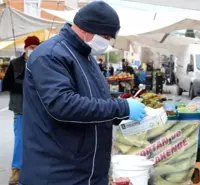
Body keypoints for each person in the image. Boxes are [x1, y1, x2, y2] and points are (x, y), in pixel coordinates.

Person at [20, 2, 145, 185]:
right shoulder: (50, 55)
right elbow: (63, 105)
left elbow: (95, 101)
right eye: (105, 36)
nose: (107, 42)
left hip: (85, 172)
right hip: (57, 174)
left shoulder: (87, 58)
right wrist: (121, 108)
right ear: (88, 29)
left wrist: (121, 113)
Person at [2, 36, 40, 185]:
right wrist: (21, 84)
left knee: (38, 140)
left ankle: (34, 170)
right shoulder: (15, 64)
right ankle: (16, 172)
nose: (33, 50)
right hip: (20, 108)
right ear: (25, 48)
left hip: (38, 110)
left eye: (36, 47)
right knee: (19, 141)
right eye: (31, 47)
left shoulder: (42, 62)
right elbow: (6, 85)